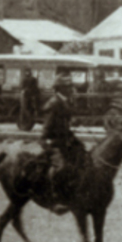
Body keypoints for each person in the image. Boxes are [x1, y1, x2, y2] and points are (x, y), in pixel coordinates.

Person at [39, 75, 86, 205]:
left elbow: (65, 121)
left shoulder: (64, 101)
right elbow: (47, 129)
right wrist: (47, 144)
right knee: (61, 167)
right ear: (60, 89)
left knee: (84, 156)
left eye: (70, 87)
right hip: (53, 141)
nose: (71, 89)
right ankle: (55, 196)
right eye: (68, 87)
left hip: (65, 139)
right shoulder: (53, 103)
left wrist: (74, 122)